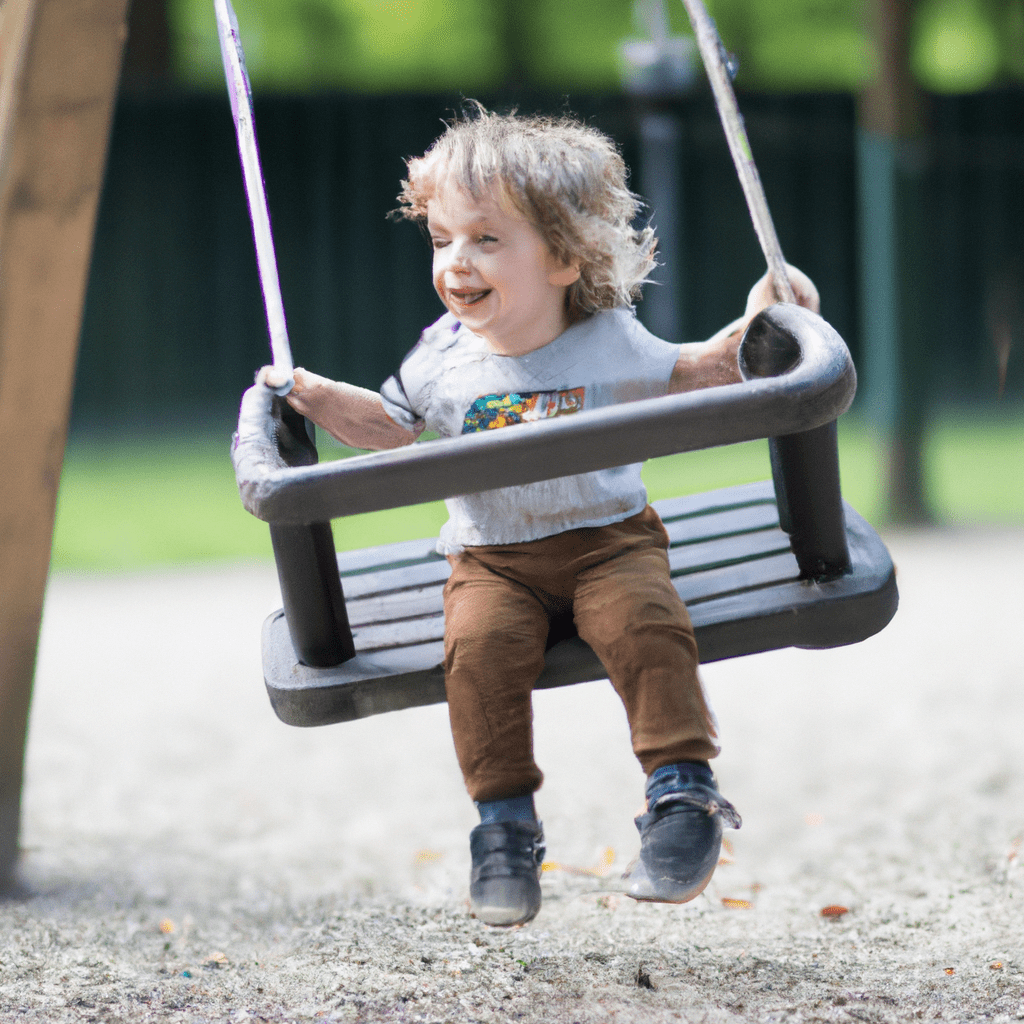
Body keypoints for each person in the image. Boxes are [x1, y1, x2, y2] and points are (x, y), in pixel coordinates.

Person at [259, 104, 819, 927]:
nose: (456, 262)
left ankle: (682, 797)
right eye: (443, 239)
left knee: (644, 622)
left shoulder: (610, 343)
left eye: (486, 239)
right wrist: (309, 391)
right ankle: (503, 827)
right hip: (493, 556)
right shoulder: (441, 359)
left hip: (606, 540)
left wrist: (766, 315)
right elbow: (388, 426)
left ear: (562, 255)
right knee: (477, 654)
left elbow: (706, 371)